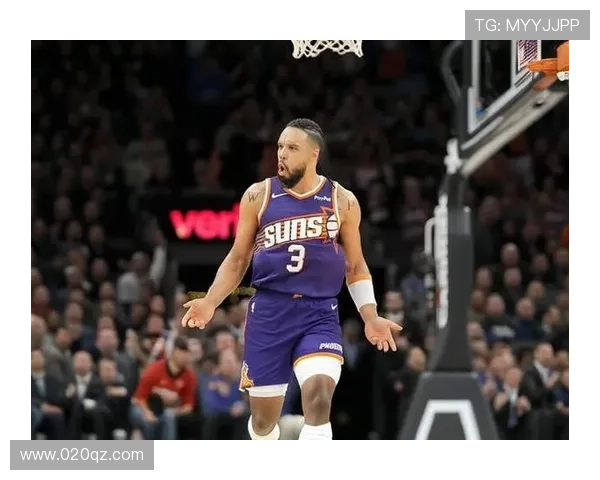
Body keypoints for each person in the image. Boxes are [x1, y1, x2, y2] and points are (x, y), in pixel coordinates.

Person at [181, 118, 402, 440]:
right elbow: (238, 259)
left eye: (292, 148)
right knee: (263, 423)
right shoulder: (258, 195)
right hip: (269, 312)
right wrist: (210, 302)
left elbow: (355, 265)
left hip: (319, 312)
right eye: (280, 147)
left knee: (319, 397)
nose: (282, 154)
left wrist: (370, 316)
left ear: (314, 154)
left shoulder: (342, 200)